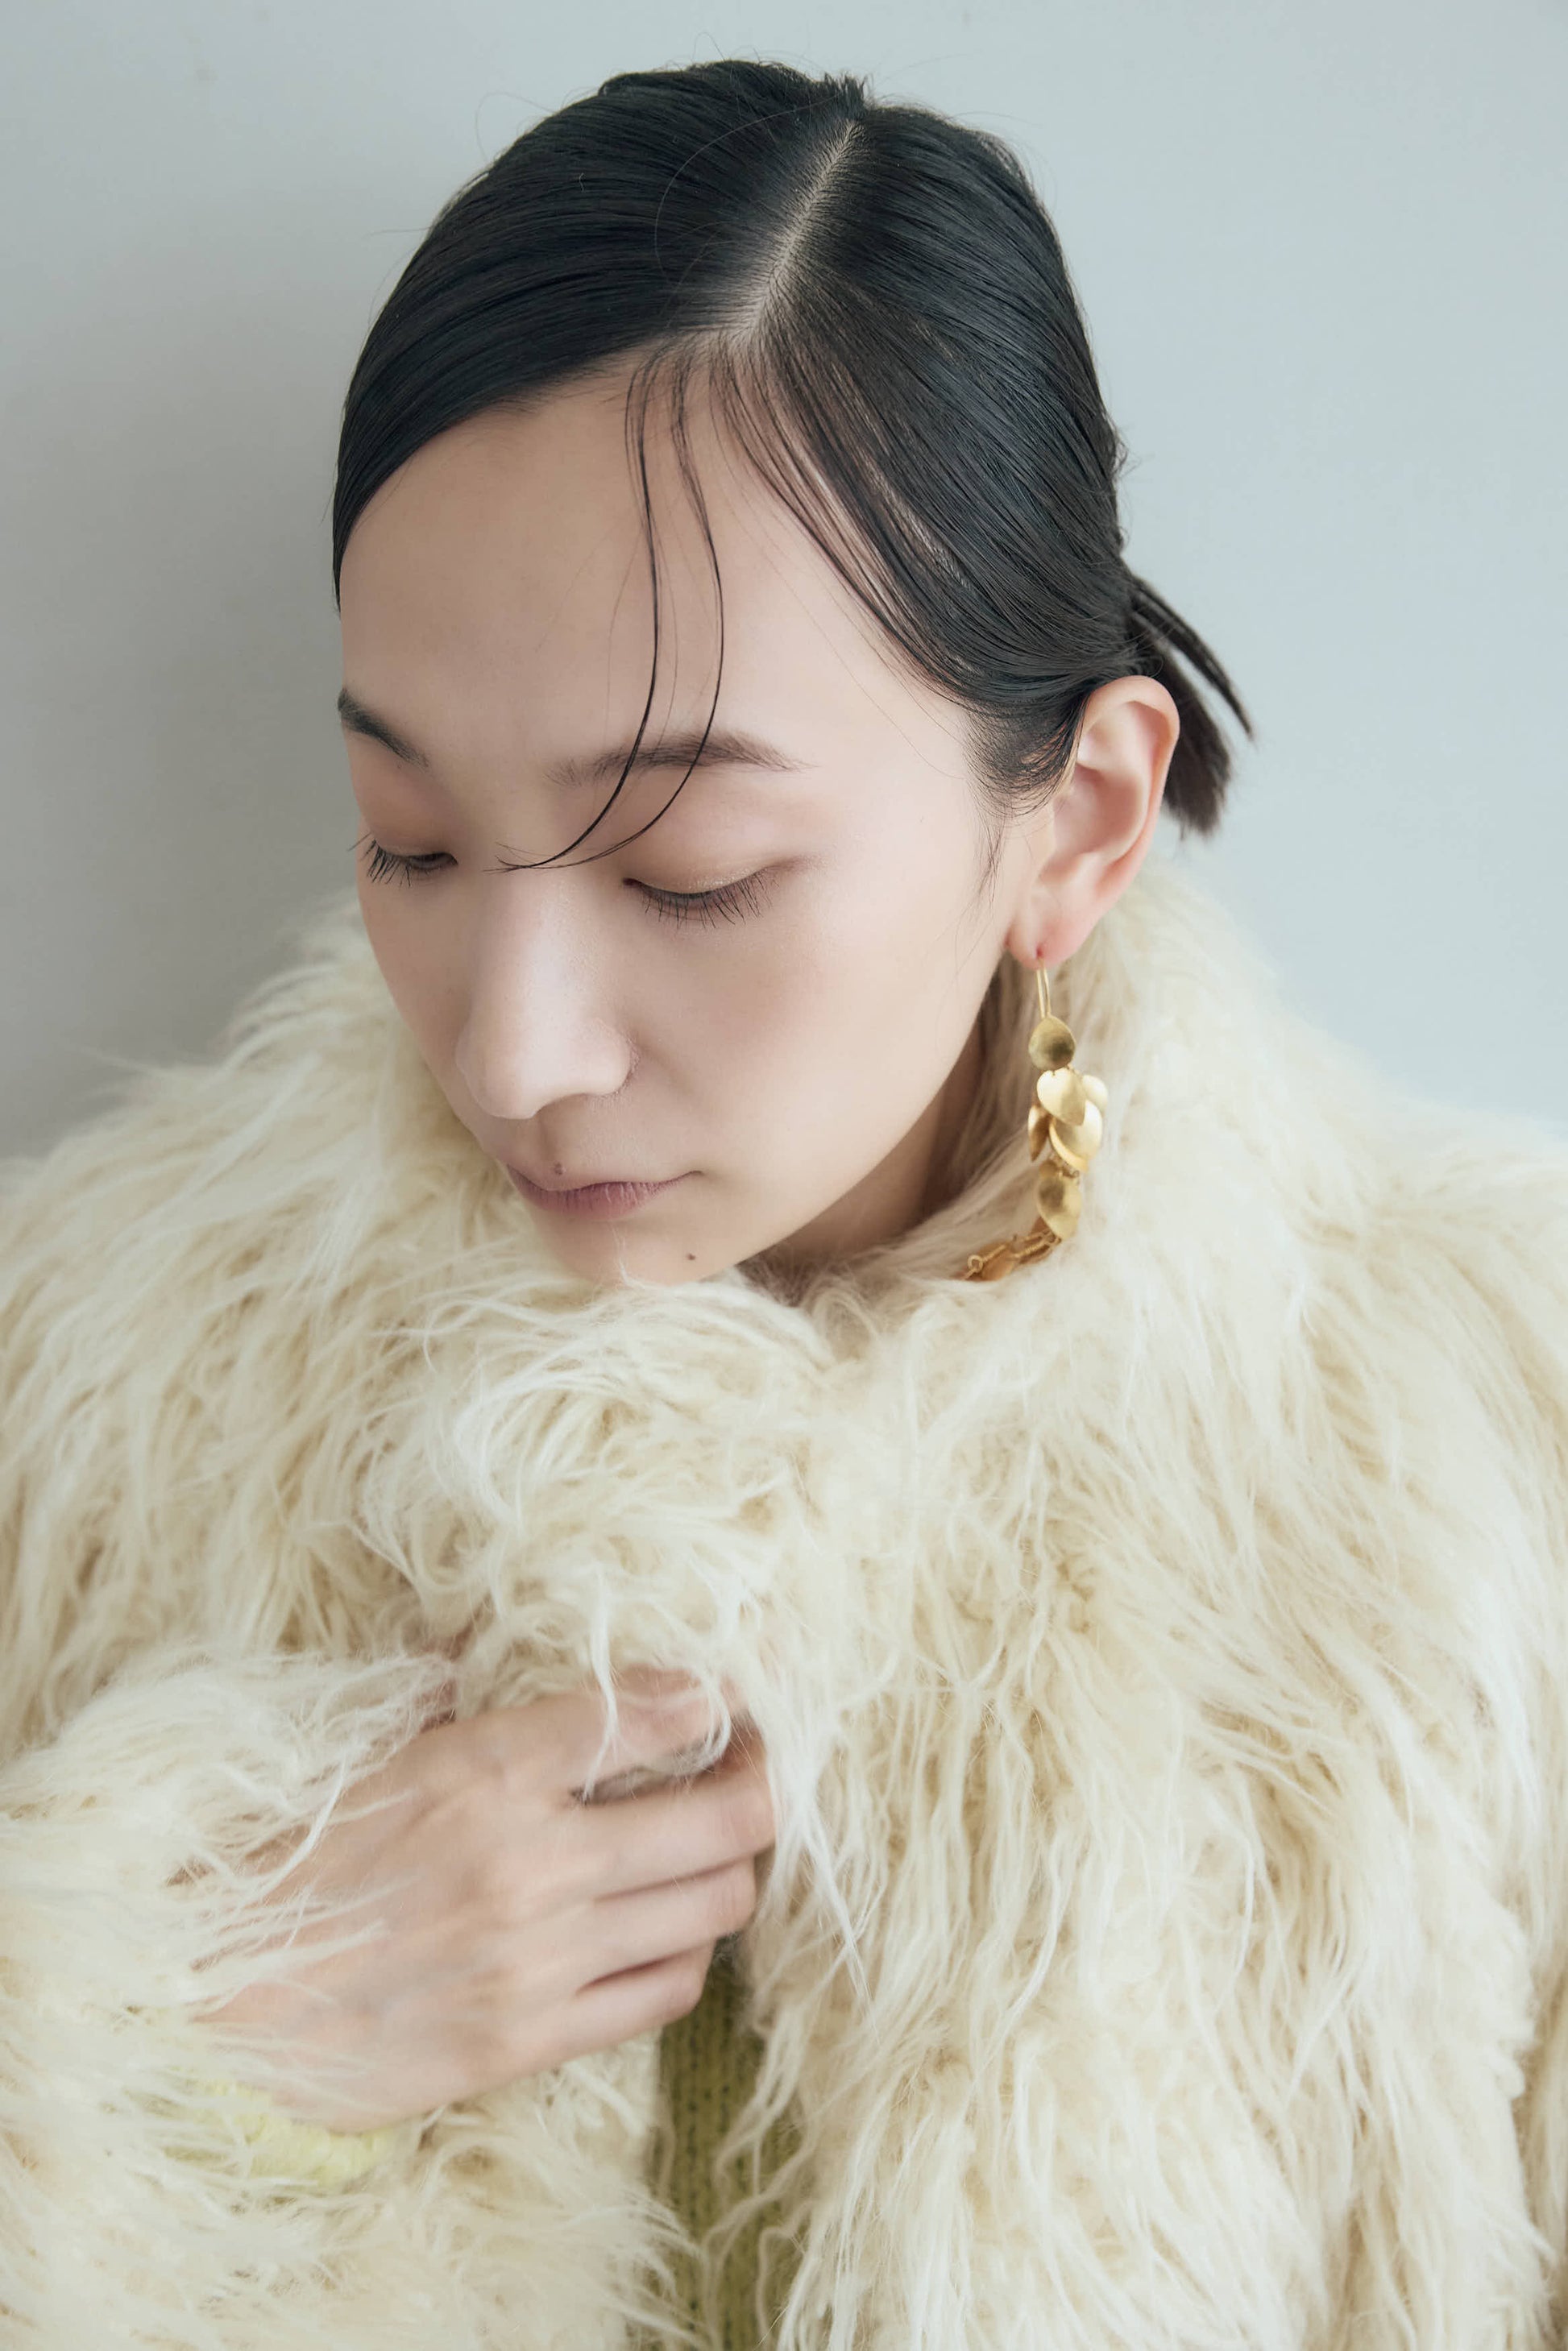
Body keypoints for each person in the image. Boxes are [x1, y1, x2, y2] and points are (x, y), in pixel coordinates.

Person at [3, 52, 1566, 2351]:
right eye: (410, 844)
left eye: (690, 870)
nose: (513, 1049)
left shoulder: (1495, 1468)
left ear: (1078, 824)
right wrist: (155, 2022)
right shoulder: (81, 1403)